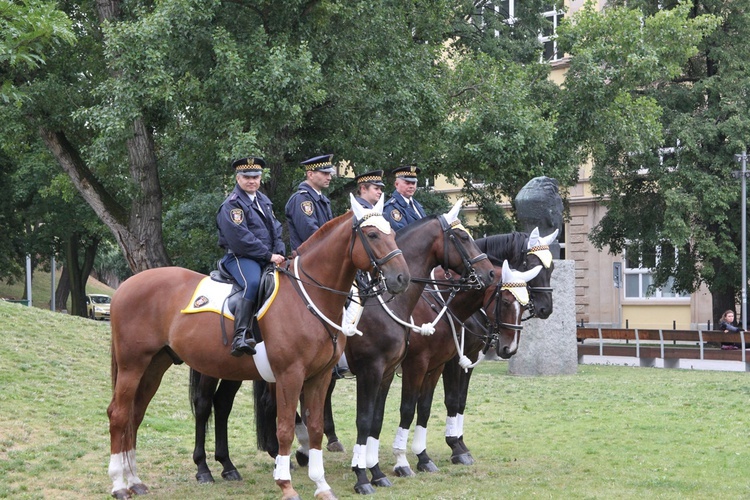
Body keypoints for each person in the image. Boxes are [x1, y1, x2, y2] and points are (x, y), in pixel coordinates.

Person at [217, 156, 286, 357]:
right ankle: (240, 336)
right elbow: (241, 239)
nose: (252, 181)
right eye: (247, 177)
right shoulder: (232, 205)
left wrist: (279, 251)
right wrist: (268, 255)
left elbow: (276, 228)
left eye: (255, 177)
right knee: (253, 283)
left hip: (266, 257)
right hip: (240, 257)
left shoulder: (263, 200)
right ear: (238, 179)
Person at [285, 154, 335, 252]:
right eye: (324, 173)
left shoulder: (322, 199)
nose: (329, 178)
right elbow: (310, 233)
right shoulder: (302, 199)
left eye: (329, 174)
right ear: (310, 174)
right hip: (307, 260)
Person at [383, 165, 426, 231]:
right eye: (407, 183)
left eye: (413, 183)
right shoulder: (392, 207)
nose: (411, 186)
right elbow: (401, 235)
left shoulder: (416, 205)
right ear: (396, 184)